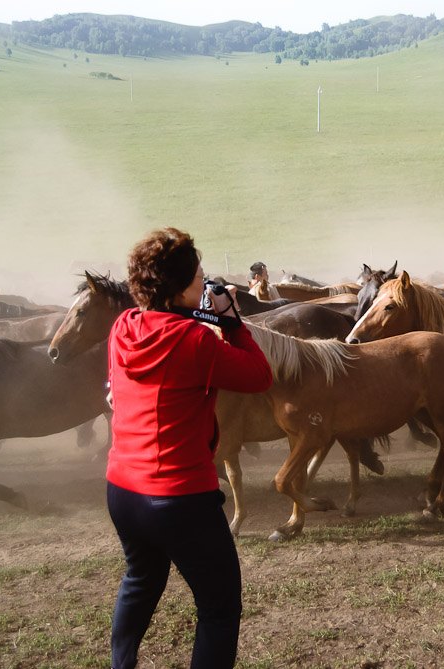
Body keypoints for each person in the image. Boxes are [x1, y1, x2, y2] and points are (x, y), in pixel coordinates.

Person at [106, 227, 272, 669]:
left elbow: (166, 334)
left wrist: (205, 316)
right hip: (178, 496)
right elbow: (259, 376)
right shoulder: (196, 341)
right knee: (219, 608)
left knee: (141, 577)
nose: (204, 283)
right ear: (180, 289)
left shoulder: (122, 329)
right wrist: (232, 321)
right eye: (199, 277)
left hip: (123, 489)